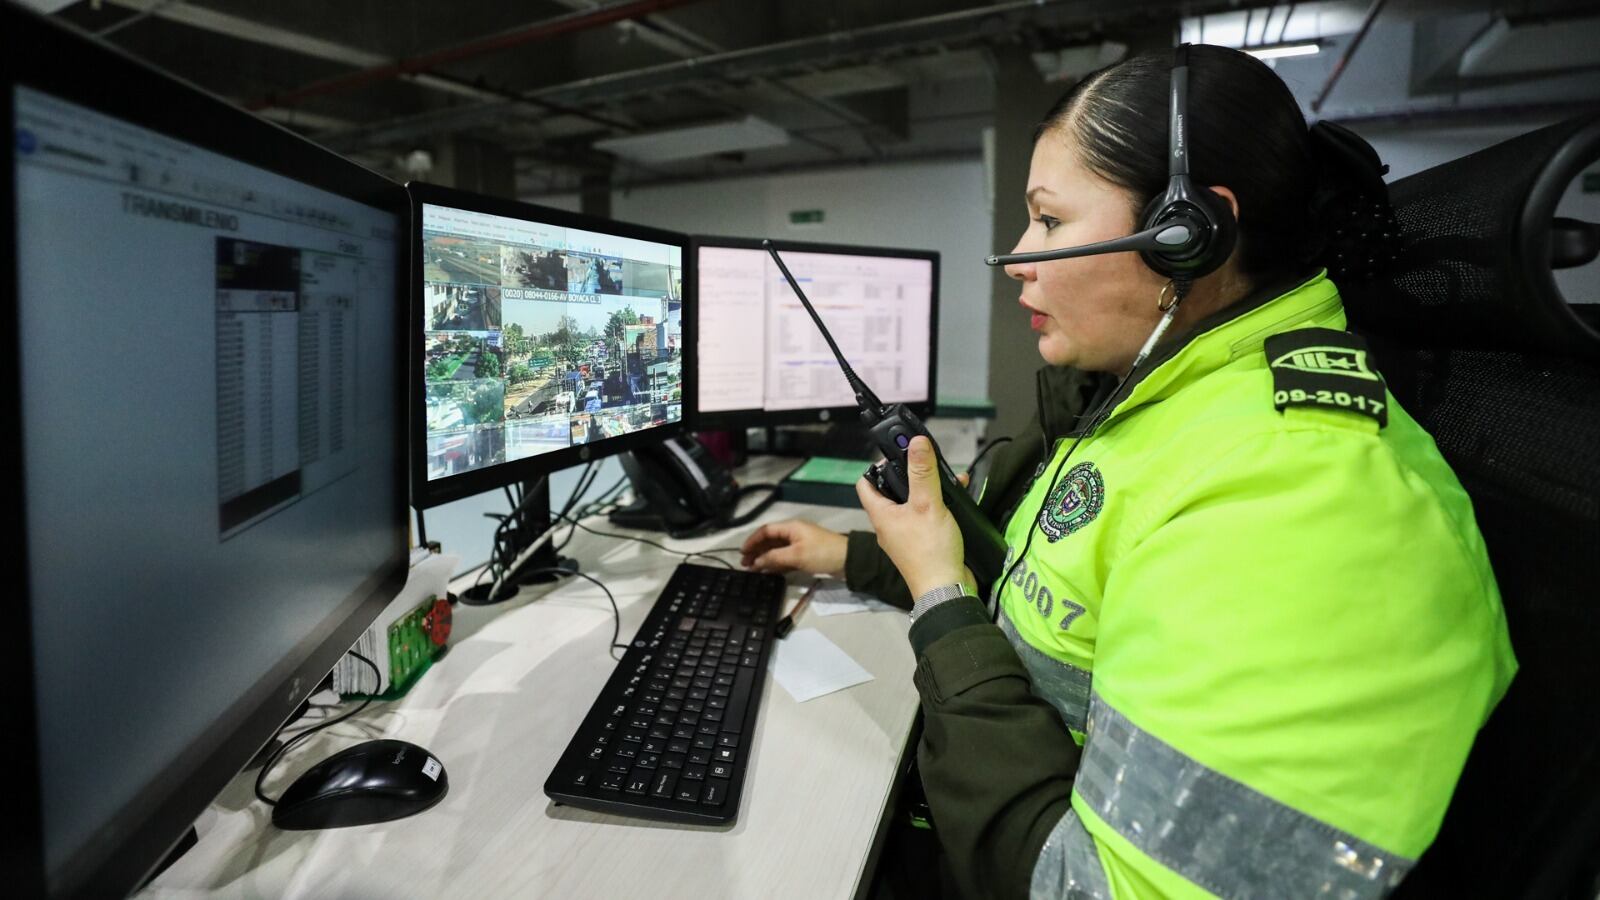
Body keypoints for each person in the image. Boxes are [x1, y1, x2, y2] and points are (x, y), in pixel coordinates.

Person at [741, 44, 1515, 900]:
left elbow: (1091, 887)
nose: (1017, 260)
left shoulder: (1303, 502)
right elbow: (1051, 596)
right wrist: (859, 558)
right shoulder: (1164, 401)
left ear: (1191, 236)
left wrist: (936, 591)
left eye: (1050, 220)